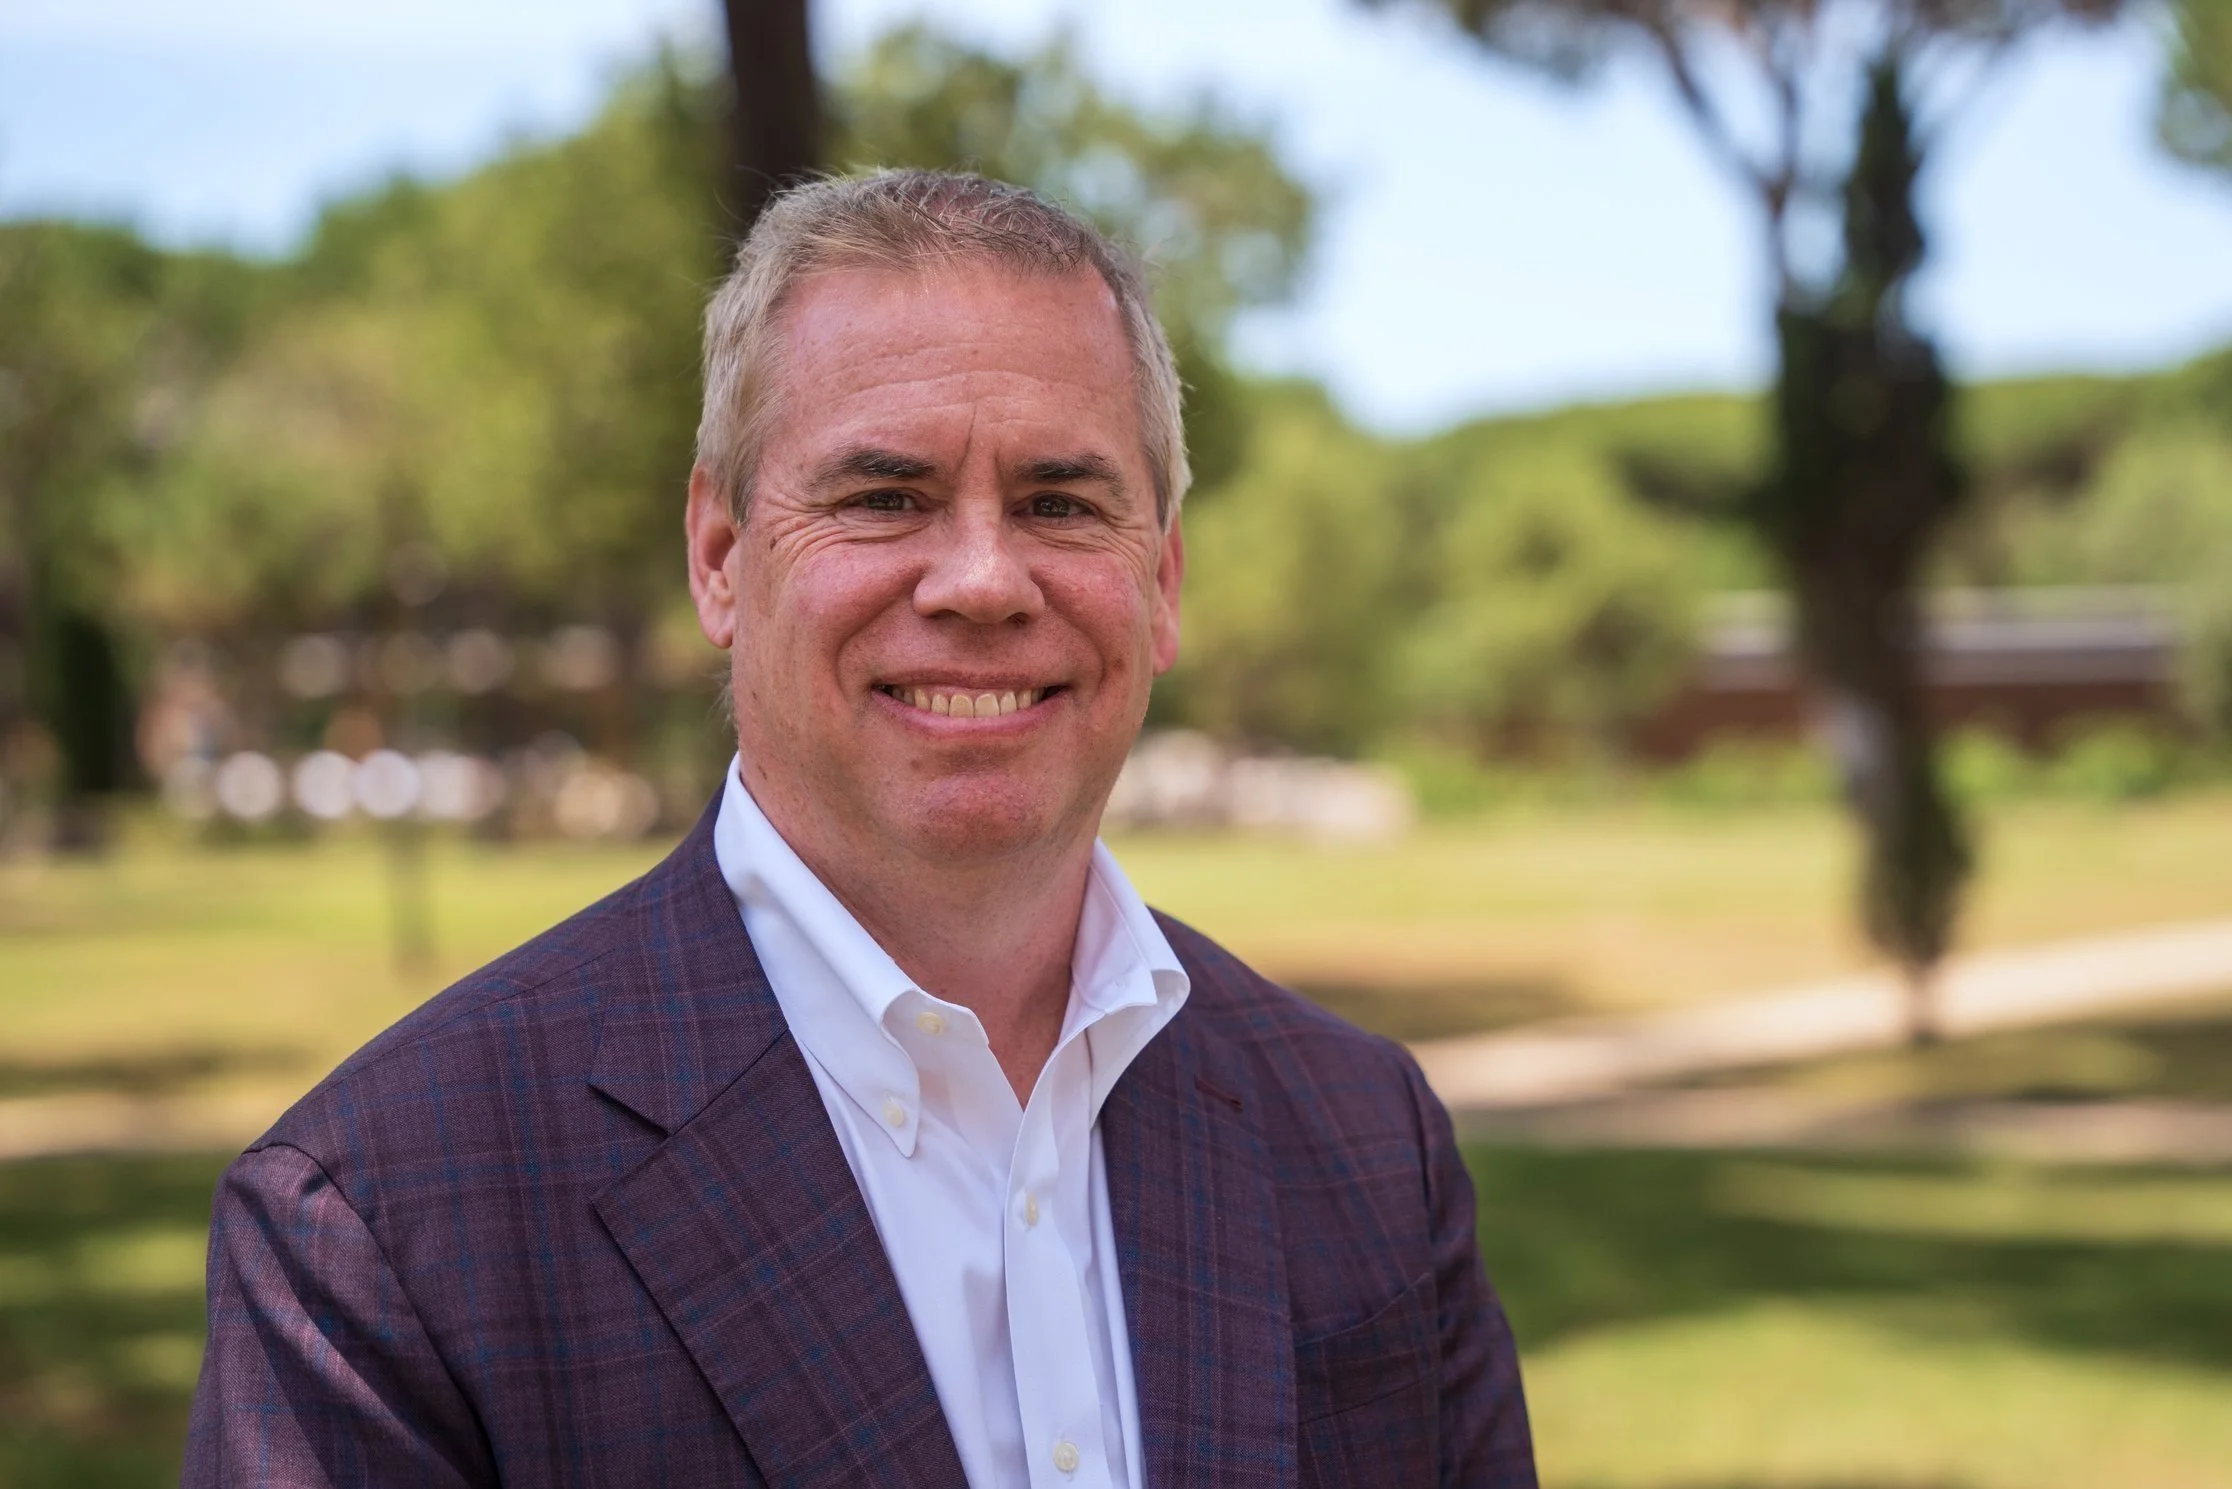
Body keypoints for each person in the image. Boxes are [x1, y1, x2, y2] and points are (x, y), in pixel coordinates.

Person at [183, 170, 1536, 1489]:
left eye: (1063, 502)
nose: (984, 580)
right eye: (884, 496)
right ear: (719, 556)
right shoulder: (379, 1222)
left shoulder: (1365, 1136)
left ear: (1165, 581)